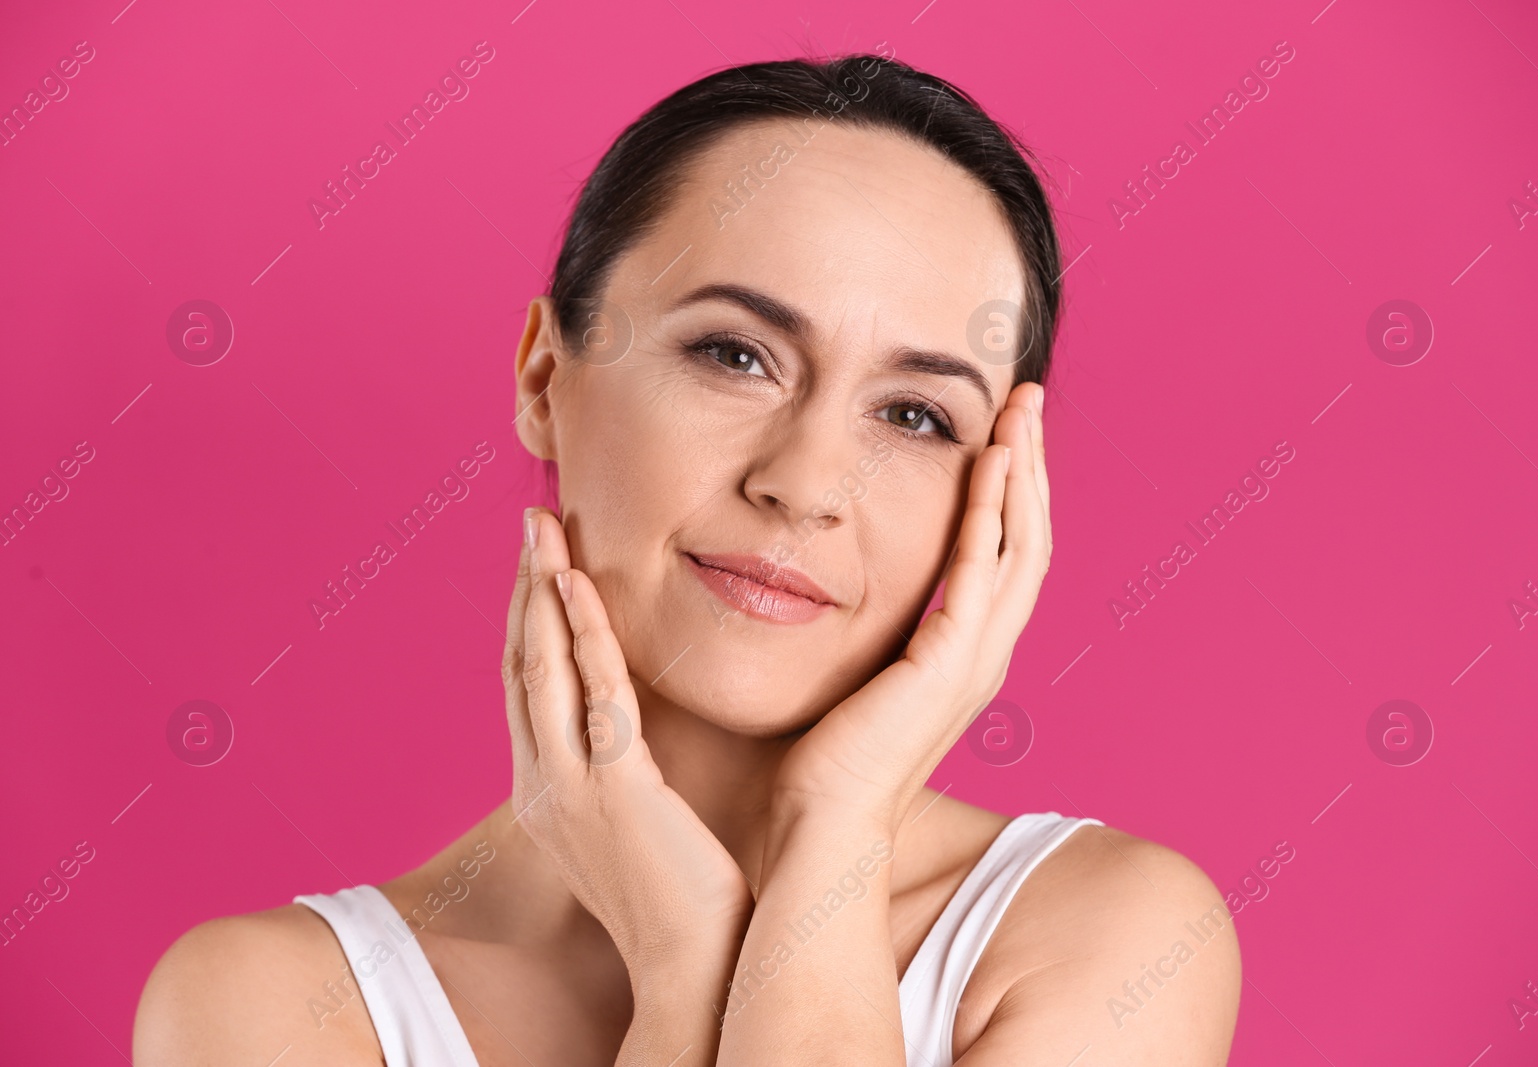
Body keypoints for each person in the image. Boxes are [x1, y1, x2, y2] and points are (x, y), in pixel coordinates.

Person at [134, 52, 1240, 1066]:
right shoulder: (270, 1006)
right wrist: (685, 964)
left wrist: (836, 825)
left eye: (912, 416)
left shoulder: (1102, 939)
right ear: (542, 376)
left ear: (997, 490)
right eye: (735, 353)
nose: (806, 484)